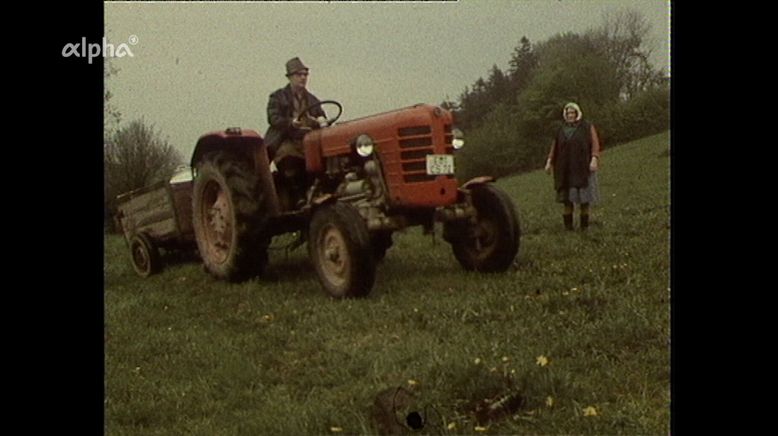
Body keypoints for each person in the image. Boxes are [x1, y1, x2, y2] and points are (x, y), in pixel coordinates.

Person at [264, 57, 328, 209]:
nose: (303, 78)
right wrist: (290, 123)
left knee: (323, 158)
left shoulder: (312, 100)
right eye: (299, 75)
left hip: (307, 139)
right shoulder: (278, 97)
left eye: (305, 74)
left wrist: (321, 120)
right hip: (285, 138)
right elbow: (273, 118)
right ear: (290, 77)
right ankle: (298, 196)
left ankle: (319, 192)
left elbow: (321, 116)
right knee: (288, 156)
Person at [544, 102, 601, 231]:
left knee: (584, 200)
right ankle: (568, 228)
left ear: (577, 113)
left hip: (582, 168)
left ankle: (584, 227)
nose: (570, 115)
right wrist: (549, 161)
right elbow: (555, 147)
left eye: (572, 113)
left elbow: (595, 143)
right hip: (565, 170)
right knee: (567, 201)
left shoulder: (586, 126)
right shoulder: (560, 130)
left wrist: (594, 158)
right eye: (568, 113)